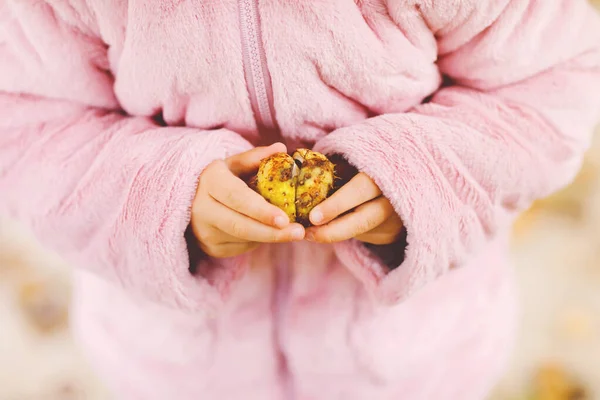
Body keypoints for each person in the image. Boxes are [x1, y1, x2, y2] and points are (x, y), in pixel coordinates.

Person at [1, 0, 599, 398]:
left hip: (408, 361)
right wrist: (161, 201)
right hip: (179, 366)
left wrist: (424, 177)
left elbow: (550, 87)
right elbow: (25, 124)